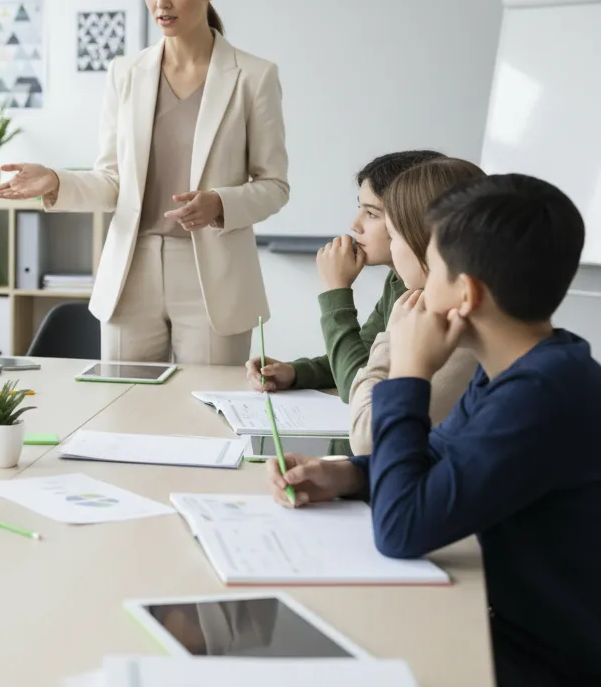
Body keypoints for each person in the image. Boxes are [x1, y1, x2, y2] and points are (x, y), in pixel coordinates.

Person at [269, 174, 601, 686]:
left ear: (464, 294)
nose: (417, 284)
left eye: (434, 267)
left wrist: (409, 372)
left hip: (535, 659)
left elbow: (404, 528)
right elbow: (438, 459)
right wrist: (350, 476)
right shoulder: (527, 365)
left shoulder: (542, 394)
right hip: (495, 619)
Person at [0, 0, 288, 365]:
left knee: (205, 417)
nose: (161, 3)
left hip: (213, 276)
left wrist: (219, 204)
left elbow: (274, 185)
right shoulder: (125, 73)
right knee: (123, 410)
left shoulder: (253, 76)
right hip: (131, 270)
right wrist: (55, 180)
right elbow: (112, 180)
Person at [246, 150, 442, 401]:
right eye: (360, 209)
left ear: (410, 219)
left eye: (371, 214)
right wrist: (296, 372)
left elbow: (356, 387)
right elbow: (364, 360)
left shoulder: (423, 298)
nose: (354, 225)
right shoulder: (397, 281)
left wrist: (336, 290)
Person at [347, 158, 483, 452]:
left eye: (394, 235)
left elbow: (367, 440)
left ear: (425, 241)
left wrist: (390, 341)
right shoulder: (422, 305)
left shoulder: (453, 325)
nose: (393, 247)